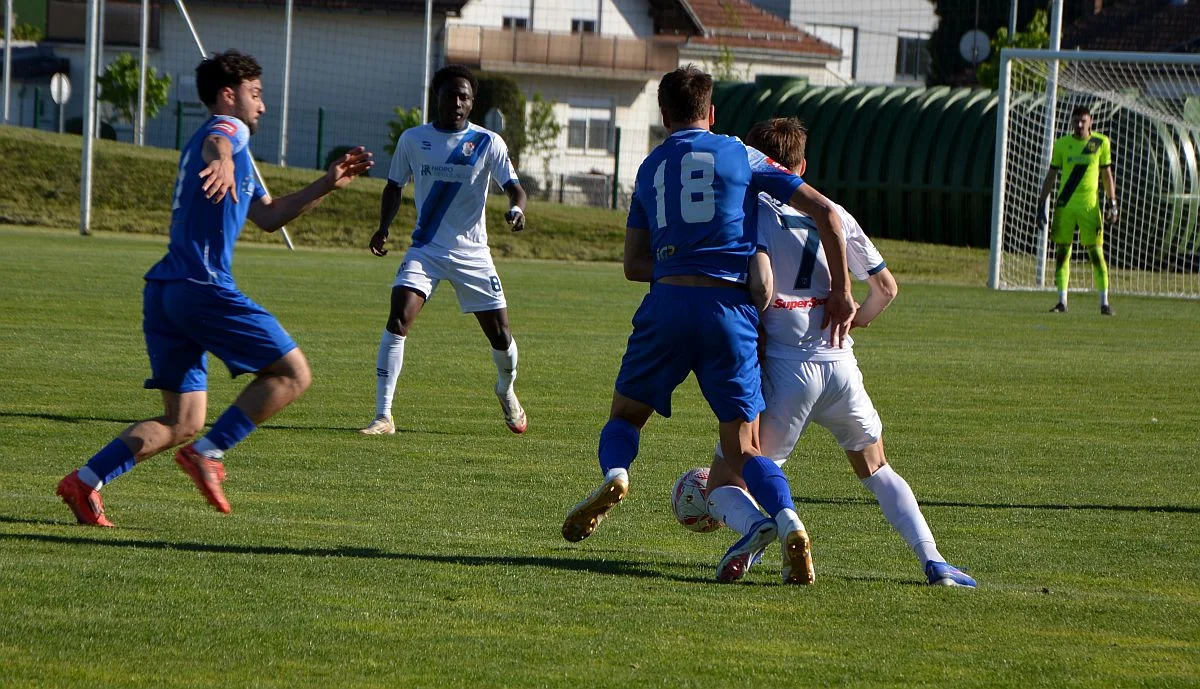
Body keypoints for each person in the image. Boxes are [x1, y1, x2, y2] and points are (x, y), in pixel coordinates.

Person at [560, 66, 856, 586]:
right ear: (712, 112)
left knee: (626, 416)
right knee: (745, 448)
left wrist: (679, 264)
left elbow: (633, 264)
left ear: (664, 116)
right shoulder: (742, 153)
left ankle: (616, 475)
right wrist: (842, 293)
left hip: (668, 304)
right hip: (729, 311)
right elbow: (826, 214)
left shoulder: (650, 167)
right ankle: (787, 520)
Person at [55, 50, 374, 526]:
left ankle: (84, 482)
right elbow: (220, 138)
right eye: (256, 93)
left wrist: (327, 184)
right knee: (293, 374)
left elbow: (268, 216)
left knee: (182, 420)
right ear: (229, 95)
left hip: (166, 289)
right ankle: (209, 453)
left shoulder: (236, 152)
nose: (262, 105)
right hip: (200, 285)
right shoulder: (229, 131)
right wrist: (223, 157)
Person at [704, 117, 976, 588]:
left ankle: (761, 531)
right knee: (876, 467)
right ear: (802, 166)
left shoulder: (752, 210)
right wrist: (852, 319)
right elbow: (886, 288)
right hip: (840, 364)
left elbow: (760, 284)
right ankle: (935, 562)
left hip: (785, 370)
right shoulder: (836, 213)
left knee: (727, 480)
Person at [361, 65, 529, 436]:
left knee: (501, 336)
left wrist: (517, 209)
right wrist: (383, 227)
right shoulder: (413, 139)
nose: (456, 102)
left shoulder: (488, 142)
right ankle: (383, 416)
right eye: (450, 95)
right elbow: (394, 186)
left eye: (463, 97)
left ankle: (506, 389)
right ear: (436, 97)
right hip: (426, 249)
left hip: (473, 254)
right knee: (399, 317)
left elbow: (515, 188)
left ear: (472, 102)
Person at [1037, 105, 1118, 315]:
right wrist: (1041, 202)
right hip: (1065, 206)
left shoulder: (1099, 143)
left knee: (1096, 254)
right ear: (1071, 122)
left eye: (1083, 121)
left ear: (1091, 121)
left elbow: (1107, 175)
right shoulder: (1062, 145)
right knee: (1062, 254)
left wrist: (1113, 203)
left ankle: (1104, 303)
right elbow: (1051, 175)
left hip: (1090, 207)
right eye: (1076, 121)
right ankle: (1062, 301)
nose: (1080, 125)